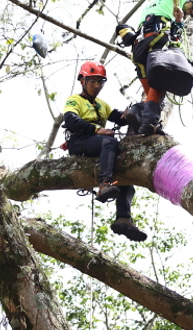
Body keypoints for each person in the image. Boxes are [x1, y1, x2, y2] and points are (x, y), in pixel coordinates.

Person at [62, 61, 148, 242]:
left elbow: (118, 117)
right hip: (80, 142)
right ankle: (104, 184)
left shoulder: (101, 104)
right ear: (82, 80)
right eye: (92, 81)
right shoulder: (74, 100)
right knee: (109, 142)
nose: (97, 86)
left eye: (100, 82)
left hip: (98, 143)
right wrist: (96, 130)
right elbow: (70, 120)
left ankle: (123, 219)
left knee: (127, 181)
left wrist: (131, 113)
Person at [115, 0, 193, 135]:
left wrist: (179, 21)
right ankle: (149, 123)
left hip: (139, 47)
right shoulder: (174, 2)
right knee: (159, 82)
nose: (190, 12)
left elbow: (175, 29)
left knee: (151, 91)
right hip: (158, 41)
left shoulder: (155, 6)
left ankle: (138, 110)